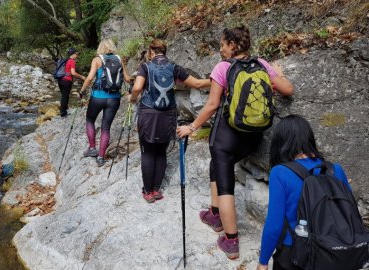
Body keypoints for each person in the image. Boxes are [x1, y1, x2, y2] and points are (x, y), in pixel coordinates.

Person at [176, 25, 294, 259]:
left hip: (226, 136)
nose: (221, 49)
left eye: (222, 44)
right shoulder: (262, 64)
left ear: (232, 44)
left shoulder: (223, 67)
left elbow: (211, 105)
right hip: (253, 137)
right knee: (217, 167)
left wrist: (191, 127)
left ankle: (230, 240)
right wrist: (277, 74)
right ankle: (213, 212)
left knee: (225, 183)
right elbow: (288, 89)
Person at [256, 115, 351, 270]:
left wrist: (263, 261)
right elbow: (349, 212)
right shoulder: (335, 169)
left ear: (280, 142)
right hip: (334, 251)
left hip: (295, 252)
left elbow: (274, 224)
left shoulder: (280, 172)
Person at [129, 39, 211, 203]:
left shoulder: (145, 67)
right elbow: (196, 83)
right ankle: (157, 190)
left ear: (151, 51)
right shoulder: (174, 67)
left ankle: (148, 192)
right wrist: (217, 79)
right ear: (164, 51)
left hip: (149, 113)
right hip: (168, 114)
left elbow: (137, 88)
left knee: (148, 152)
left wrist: (132, 98)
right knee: (161, 151)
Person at [79, 39, 132, 166]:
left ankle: (92, 148)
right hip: (114, 98)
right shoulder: (119, 59)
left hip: (97, 97)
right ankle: (101, 157)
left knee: (90, 120)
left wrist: (81, 91)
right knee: (106, 127)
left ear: (100, 47)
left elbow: (90, 78)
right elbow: (127, 78)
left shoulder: (97, 60)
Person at [58, 48, 86, 117]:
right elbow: (73, 73)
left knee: (63, 96)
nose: (76, 56)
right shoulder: (72, 61)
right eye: (76, 54)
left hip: (60, 80)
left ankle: (63, 111)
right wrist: (81, 77)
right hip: (67, 81)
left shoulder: (65, 60)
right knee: (65, 96)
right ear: (73, 54)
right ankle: (63, 114)